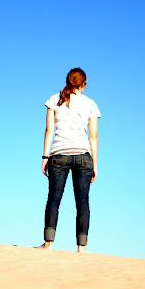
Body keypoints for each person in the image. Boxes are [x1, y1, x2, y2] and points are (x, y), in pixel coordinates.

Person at [37, 67, 101, 253]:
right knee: (82, 202)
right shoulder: (90, 104)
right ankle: (82, 247)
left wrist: (45, 157)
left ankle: (48, 243)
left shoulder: (54, 100)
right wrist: (95, 164)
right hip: (83, 156)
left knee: (54, 199)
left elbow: (49, 130)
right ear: (83, 84)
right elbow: (93, 137)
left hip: (58, 154)